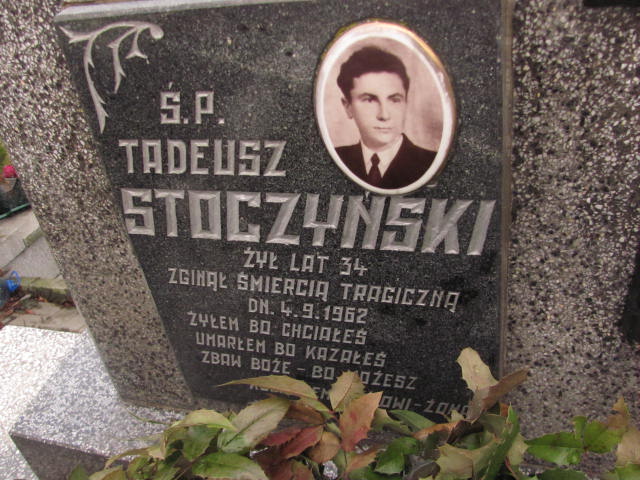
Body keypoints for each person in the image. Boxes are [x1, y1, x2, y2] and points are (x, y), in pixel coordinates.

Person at [335, 46, 436, 190]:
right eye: (369, 100)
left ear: (406, 102)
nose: (384, 115)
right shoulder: (335, 160)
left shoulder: (431, 164)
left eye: (394, 100)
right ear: (347, 106)